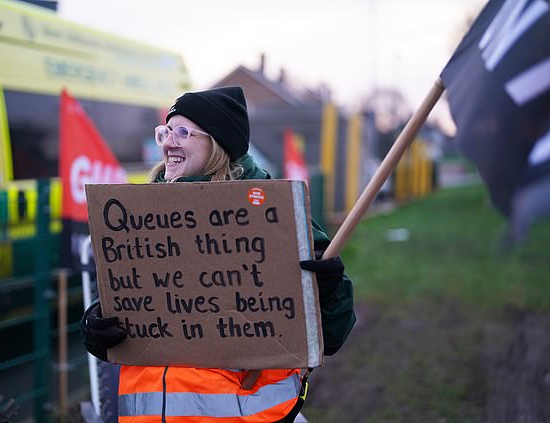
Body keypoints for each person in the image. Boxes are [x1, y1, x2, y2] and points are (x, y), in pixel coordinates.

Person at [81, 86, 356, 423]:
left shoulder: (274, 215)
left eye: (182, 132)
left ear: (217, 143)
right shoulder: (144, 218)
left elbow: (330, 337)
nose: (168, 142)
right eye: (165, 132)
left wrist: (329, 290)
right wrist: (95, 326)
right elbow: (132, 303)